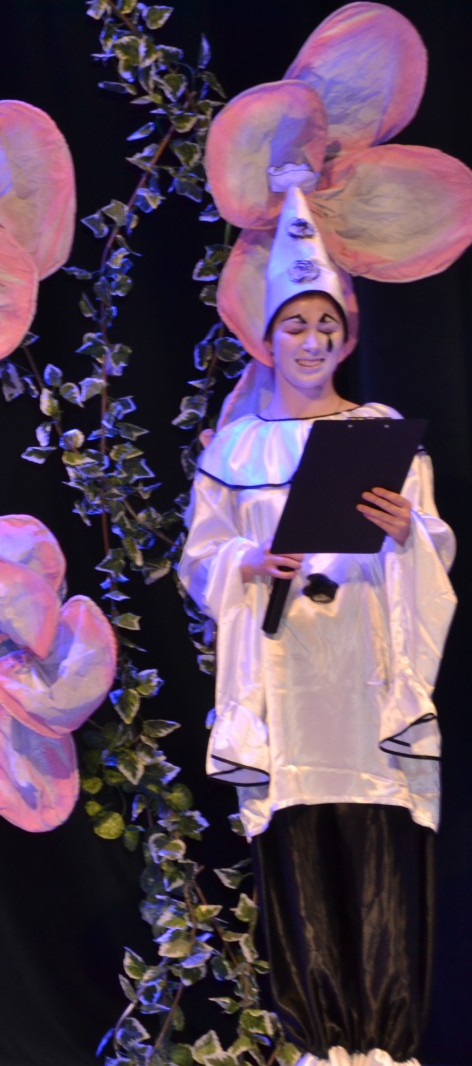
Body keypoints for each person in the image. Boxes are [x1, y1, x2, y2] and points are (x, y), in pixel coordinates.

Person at [180, 173, 453, 1066]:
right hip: (285, 695)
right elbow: (199, 561)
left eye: (325, 326)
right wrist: (246, 560)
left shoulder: (379, 431)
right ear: (267, 339)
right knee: (299, 862)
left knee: (380, 860)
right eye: (294, 325)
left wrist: (407, 530)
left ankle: (385, 1050)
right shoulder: (235, 449)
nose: (310, 341)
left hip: (367, 693)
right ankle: (320, 1048)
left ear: (347, 337)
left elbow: (434, 548)